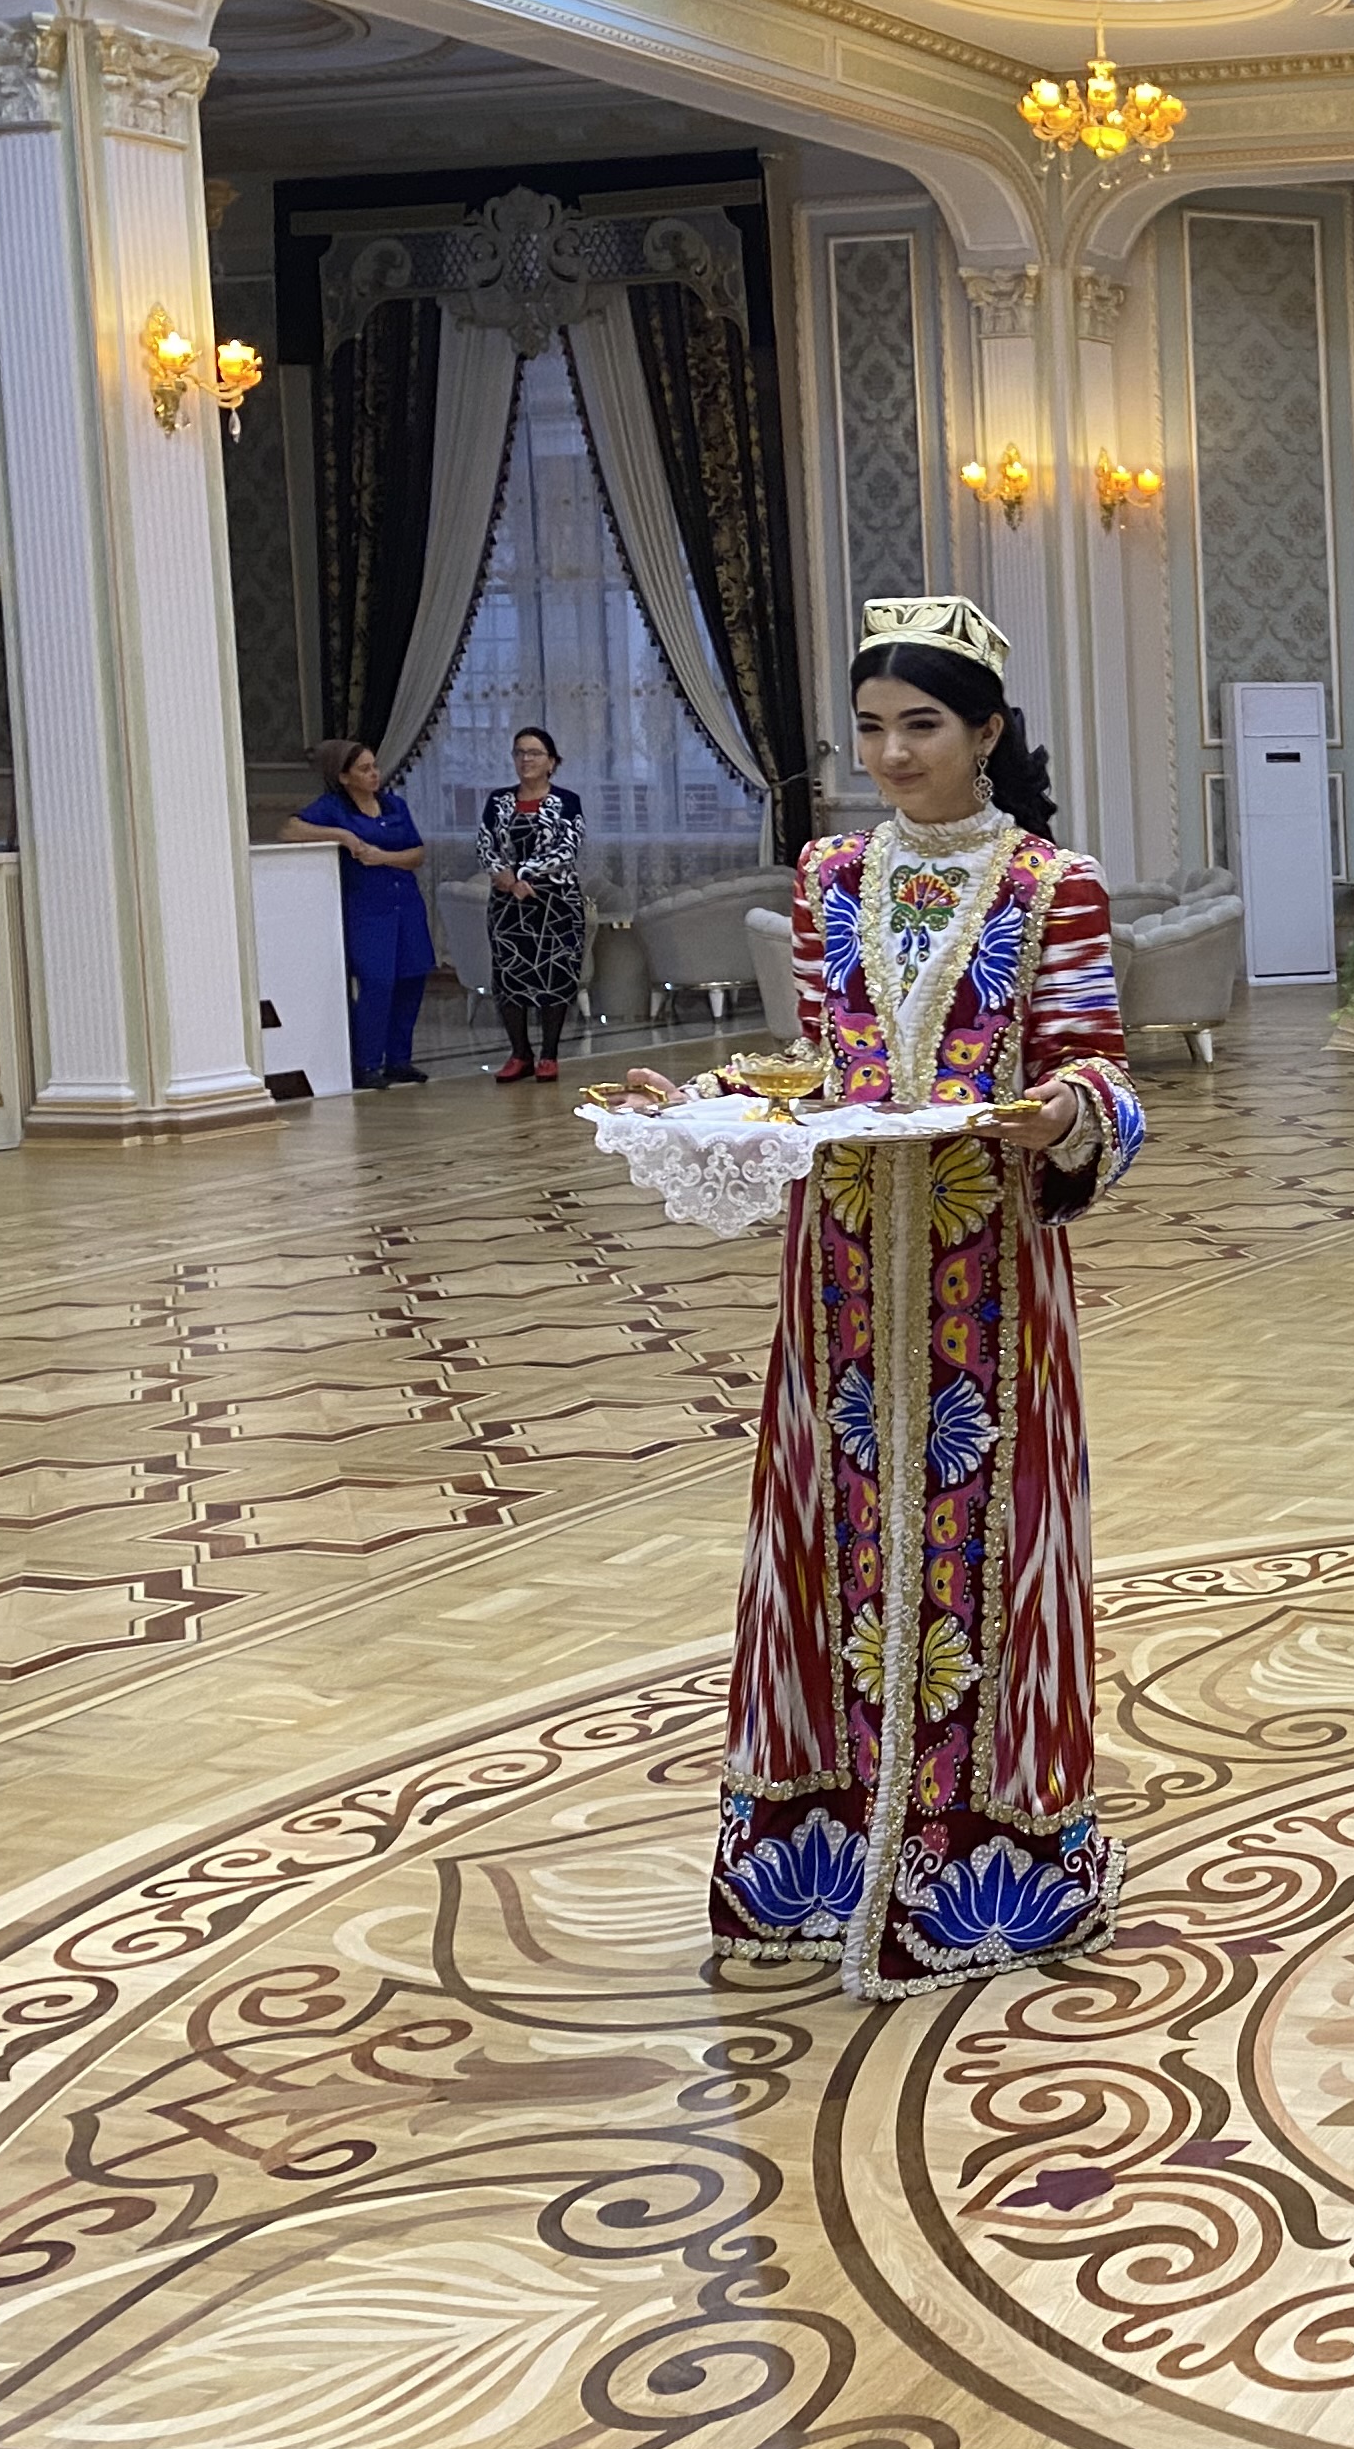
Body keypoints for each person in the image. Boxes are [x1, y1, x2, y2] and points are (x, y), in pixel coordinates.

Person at [612, 594, 1144, 2000]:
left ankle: (990, 1862)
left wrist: (1065, 1115)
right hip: (841, 1264)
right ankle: (828, 1850)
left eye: (922, 726)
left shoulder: (1052, 883)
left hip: (991, 1268)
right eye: (871, 729)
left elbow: (1100, 1065)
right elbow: (816, 1060)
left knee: (993, 1536)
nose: (893, 754)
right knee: (829, 1538)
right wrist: (707, 1099)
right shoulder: (829, 875)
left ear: (988, 731)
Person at [284, 742, 434, 1090]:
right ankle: (367, 1062)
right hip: (368, 908)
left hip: (405, 903)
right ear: (344, 776)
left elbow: (416, 852)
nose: (374, 774)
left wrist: (383, 857)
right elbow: (290, 829)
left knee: (412, 978)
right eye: (364, 769)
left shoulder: (394, 804)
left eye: (374, 767)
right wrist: (341, 834)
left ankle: (399, 1059)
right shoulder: (333, 807)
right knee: (377, 983)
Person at [481, 726, 589, 1083]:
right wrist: (507, 878)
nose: (526, 759)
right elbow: (485, 845)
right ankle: (520, 1053)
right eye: (519, 752)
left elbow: (567, 848)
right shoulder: (498, 800)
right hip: (507, 903)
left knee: (555, 972)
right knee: (509, 973)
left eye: (534, 753)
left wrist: (524, 874)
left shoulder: (567, 801)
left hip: (555, 901)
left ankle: (549, 1055)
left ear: (552, 762)